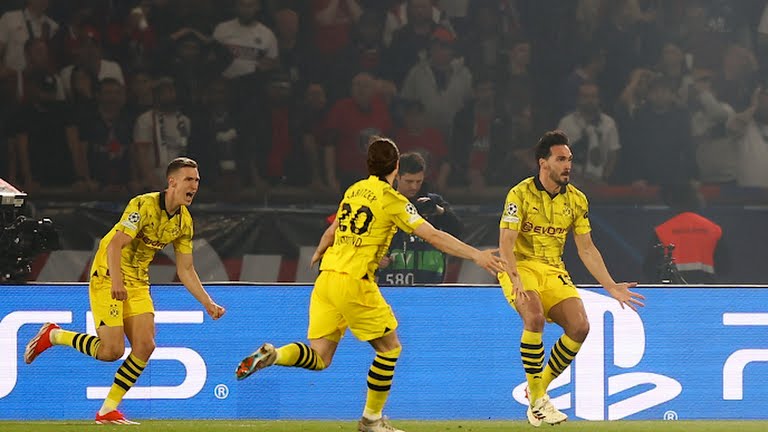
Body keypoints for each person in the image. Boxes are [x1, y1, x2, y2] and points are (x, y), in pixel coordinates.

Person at [235, 137, 505, 432]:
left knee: (320, 356)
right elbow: (433, 236)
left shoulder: (355, 190)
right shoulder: (392, 200)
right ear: (396, 166)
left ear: (369, 164)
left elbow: (333, 228)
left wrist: (319, 250)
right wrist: (477, 255)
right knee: (389, 349)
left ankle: (275, 354)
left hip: (327, 279)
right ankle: (371, 420)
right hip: (354, 281)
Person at [23, 157, 226, 425]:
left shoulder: (184, 223)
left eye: (197, 180)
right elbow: (114, 245)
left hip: (138, 279)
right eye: (189, 179)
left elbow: (186, 269)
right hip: (110, 271)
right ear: (172, 182)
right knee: (111, 351)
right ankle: (54, 335)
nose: (195, 185)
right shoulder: (143, 205)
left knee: (145, 345)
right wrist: (117, 281)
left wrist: (207, 303)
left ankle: (107, 410)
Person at [497, 130, 644, 426]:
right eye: (561, 159)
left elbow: (587, 249)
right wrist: (514, 277)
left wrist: (611, 285)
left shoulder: (577, 200)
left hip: (553, 269)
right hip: (521, 265)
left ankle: (536, 392)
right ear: (543, 162)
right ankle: (539, 400)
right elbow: (506, 242)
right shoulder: (519, 194)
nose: (568, 166)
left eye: (570, 160)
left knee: (580, 327)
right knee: (534, 319)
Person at [378, 152, 462, 285]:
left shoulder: (432, 202)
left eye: (418, 181)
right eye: (409, 181)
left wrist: (438, 211)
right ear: (397, 177)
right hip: (391, 282)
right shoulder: (382, 202)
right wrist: (374, 258)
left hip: (430, 283)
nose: (414, 186)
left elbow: (457, 230)